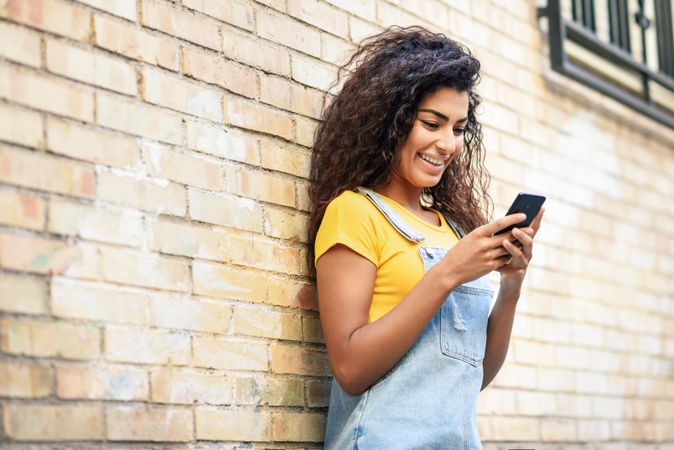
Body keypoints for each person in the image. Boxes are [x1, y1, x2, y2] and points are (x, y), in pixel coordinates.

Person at [308, 26, 544, 448]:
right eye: (432, 123)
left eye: (458, 128)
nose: (447, 143)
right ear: (389, 120)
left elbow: (475, 374)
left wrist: (511, 287)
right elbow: (351, 367)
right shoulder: (355, 213)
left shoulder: (453, 230)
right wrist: (446, 273)